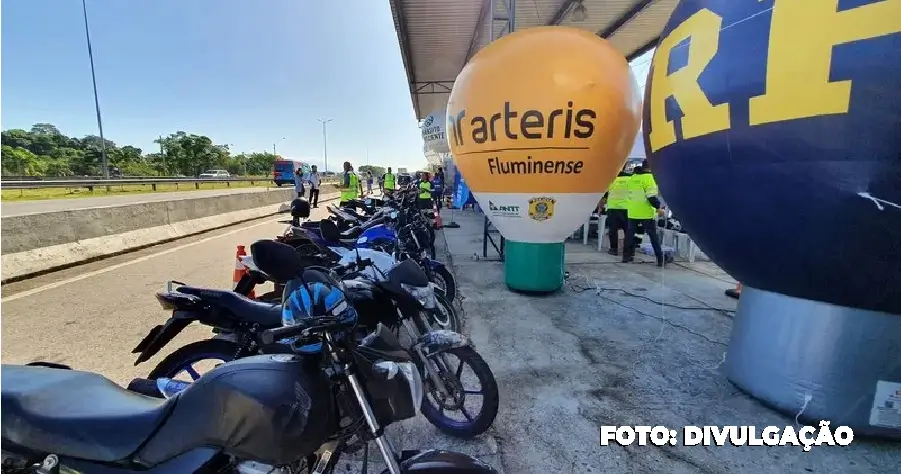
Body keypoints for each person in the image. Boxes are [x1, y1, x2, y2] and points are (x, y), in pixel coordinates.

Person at [623, 160, 665, 266]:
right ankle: (660, 259)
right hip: (645, 212)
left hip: (632, 211)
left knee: (630, 235)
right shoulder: (649, 178)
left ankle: (626, 257)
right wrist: (659, 208)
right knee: (652, 235)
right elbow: (651, 196)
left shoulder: (633, 178)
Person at [602, 168, 632, 256]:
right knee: (627, 230)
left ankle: (613, 249)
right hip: (626, 208)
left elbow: (604, 196)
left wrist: (600, 208)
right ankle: (627, 251)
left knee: (613, 230)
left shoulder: (610, 179)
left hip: (612, 208)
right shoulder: (630, 178)